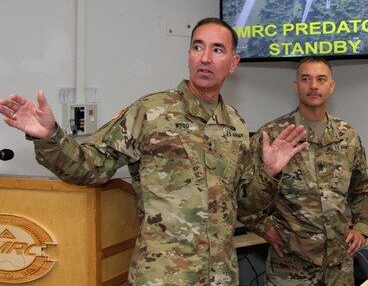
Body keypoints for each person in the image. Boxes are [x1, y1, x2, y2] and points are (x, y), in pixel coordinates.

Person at [0, 18, 308, 285]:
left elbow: (243, 204)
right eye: (197, 47)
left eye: (217, 50)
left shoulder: (236, 126)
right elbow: (89, 166)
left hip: (221, 276)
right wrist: (49, 136)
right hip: (162, 276)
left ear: (233, 62)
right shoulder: (150, 112)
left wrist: (269, 172)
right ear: (188, 54)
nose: (205, 58)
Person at [239, 56, 368, 286]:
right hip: (291, 270)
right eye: (306, 79)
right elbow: (244, 199)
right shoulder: (273, 135)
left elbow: (361, 189)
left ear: (331, 86)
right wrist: (265, 229)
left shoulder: (348, 135)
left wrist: (363, 227)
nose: (313, 85)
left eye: (321, 79)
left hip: (338, 269)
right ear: (296, 86)